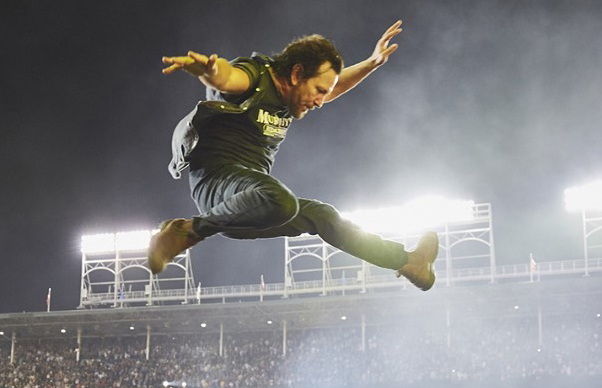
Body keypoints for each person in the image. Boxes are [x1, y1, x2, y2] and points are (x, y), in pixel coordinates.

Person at [154, 22, 440, 291]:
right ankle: (187, 231)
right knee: (280, 200)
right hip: (218, 185)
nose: (319, 101)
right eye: (317, 91)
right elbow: (229, 78)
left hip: (250, 204)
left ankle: (409, 262)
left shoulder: (292, 97)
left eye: (323, 94)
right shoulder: (257, 77)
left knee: (323, 216)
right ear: (295, 74)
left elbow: (334, 88)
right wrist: (209, 72)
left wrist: (371, 63)